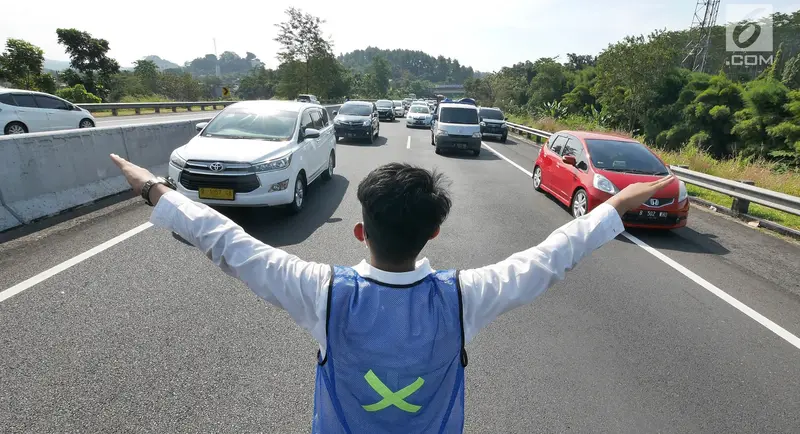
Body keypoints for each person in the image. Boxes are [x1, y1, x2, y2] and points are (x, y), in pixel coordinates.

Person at [110, 154, 673, 433]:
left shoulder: (324, 293)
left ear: (361, 231)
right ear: (434, 231)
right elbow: (551, 257)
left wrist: (157, 191)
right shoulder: (462, 297)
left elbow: (229, 244)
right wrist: (615, 206)